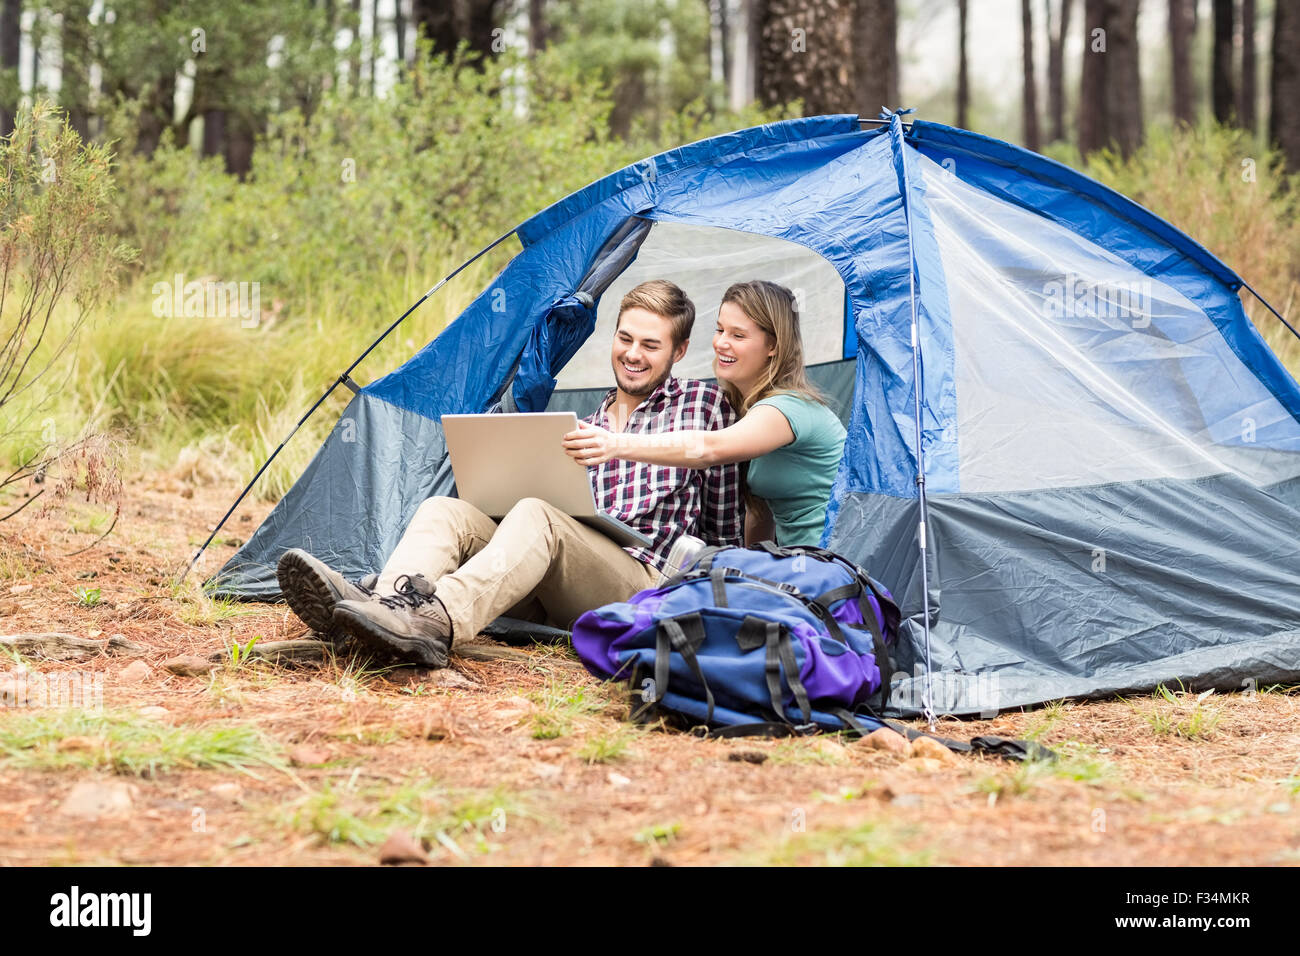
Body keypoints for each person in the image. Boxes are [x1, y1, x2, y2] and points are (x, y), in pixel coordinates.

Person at [275, 279, 744, 667]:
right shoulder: (589, 422)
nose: (633, 354)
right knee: (447, 511)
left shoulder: (703, 405)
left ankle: (434, 623)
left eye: (650, 345)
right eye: (625, 339)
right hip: (553, 577)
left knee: (539, 515)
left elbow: (725, 529)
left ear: (679, 351)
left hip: (640, 587)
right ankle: (382, 611)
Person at [563, 279, 845, 548]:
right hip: (797, 566)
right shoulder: (746, 415)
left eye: (738, 335)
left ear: (773, 346)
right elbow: (759, 515)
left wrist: (614, 443)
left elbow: (707, 449)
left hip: (840, 563)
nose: (721, 343)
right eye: (720, 329)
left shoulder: (788, 408)